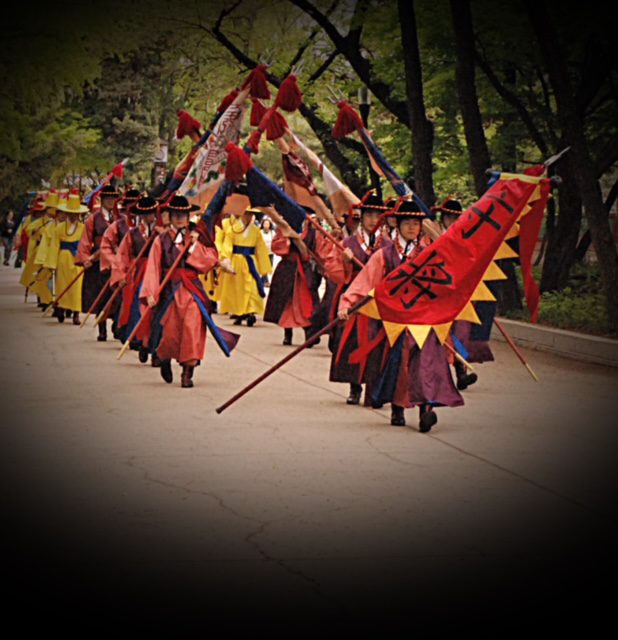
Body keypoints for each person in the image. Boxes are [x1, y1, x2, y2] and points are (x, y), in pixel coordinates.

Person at [337, 198, 463, 432]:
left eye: (416, 223)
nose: (412, 227)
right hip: (394, 321)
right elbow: (364, 281)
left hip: (425, 320)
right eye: (407, 222)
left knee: (428, 364)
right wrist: (347, 304)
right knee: (400, 365)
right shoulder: (384, 256)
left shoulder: (430, 254)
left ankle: (426, 408)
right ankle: (398, 407)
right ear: (398, 225)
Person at [140, 194, 219, 388]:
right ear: (170, 215)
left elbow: (211, 259)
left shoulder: (197, 237)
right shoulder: (161, 240)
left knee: (191, 330)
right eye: (176, 214)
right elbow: (153, 267)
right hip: (169, 291)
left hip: (192, 290)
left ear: (189, 216)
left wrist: (193, 248)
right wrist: (151, 292)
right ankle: (164, 357)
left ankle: (187, 372)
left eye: (183, 214)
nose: (179, 218)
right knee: (171, 333)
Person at [328, 190, 390, 405]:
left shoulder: (388, 247)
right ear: (361, 217)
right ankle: (355, 387)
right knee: (353, 342)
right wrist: (345, 262)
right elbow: (333, 272)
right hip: (355, 299)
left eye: (377, 216)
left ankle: (375, 390)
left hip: (379, 301)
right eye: (369, 215)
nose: (373, 220)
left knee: (378, 346)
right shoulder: (349, 244)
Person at [263, 206, 344, 346]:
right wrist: (290, 240)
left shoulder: (313, 229)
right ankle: (287, 334)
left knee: (307, 302)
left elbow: (319, 249)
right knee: (286, 302)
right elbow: (276, 246)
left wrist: (325, 266)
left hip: (305, 270)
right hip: (288, 268)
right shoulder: (285, 226)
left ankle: (310, 333)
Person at [433, 195, 487, 390]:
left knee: (461, 333)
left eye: (456, 217)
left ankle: (461, 372)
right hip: (439, 293)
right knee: (442, 335)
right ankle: (441, 374)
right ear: (442, 218)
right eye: (449, 217)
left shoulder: (467, 239)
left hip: (461, 294)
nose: (452, 221)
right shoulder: (432, 236)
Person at [112, 195, 160, 363]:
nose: (149, 217)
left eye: (151, 213)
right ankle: (138, 339)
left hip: (157, 273)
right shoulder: (133, 234)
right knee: (137, 305)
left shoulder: (162, 233)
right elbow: (123, 255)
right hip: (138, 273)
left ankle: (153, 344)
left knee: (156, 310)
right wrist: (121, 275)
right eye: (145, 214)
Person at [75, 183, 120, 341]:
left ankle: (117, 324)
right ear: (102, 200)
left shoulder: (120, 219)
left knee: (117, 296)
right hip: (99, 262)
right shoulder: (93, 219)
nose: (110, 201)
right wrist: (85, 258)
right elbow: (86, 240)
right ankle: (102, 329)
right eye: (107, 198)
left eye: (112, 198)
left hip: (117, 261)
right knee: (100, 297)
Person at [216, 207, 272, 326]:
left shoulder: (256, 231)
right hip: (237, 261)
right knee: (238, 288)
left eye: (251, 214)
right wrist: (226, 261)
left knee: (252, 286)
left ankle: (251, 311)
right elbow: (227, 246)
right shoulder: (233, 230)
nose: (248, 216)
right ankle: (240, 312)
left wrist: (264, 268)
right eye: (246, 214)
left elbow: (261, 249)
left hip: (250, 261)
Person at [42, 191, 86, 324]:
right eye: (71, 213)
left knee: (77, 287)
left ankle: (76, 313)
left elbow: (85, 245)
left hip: (77, 259)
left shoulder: (83, 228)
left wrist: (86, 259)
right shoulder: (59, 228)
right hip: (63, 259)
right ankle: (61, 307)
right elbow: (54, 246)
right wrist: (51, 263)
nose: (73, 216)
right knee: (62, 285)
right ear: (67, 214)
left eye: (76, 214)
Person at [259, 216, 276, 286]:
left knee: (269, 267)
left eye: (267, 224)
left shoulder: (272, 233)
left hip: (270, 252)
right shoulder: (259, 232)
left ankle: (264, 281)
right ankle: (264, 281)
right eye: (265, 224)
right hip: (263, 253)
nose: (266, 225)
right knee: (264, 267)